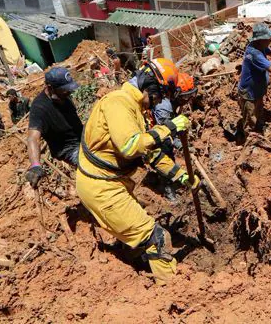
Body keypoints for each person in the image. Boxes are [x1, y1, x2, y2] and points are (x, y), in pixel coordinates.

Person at [76, 58, 197, 285]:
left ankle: (135, 263)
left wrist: (180, 175)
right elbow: (131, 146)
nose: (157, 103)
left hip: (110, 183)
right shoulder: (119, 104)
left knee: (136, 230)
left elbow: (149, 153)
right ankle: (173, 289)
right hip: (102, 188)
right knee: (157, 237)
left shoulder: (133, 108)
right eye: (159, 96)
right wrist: (169, 128)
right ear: (150, 87)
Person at [25, 68, 83, 187]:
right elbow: (33, 138)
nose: (68, 93)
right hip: (69, 149)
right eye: (64, 90)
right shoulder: (39, 108)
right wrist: (35, 165)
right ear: (50, 87)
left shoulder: (61, 96)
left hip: (82, 139)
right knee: (92, 163)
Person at [150, 72, 198, 202]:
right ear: (176, 93)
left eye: (190, 96)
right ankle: (167, 187)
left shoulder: (175, 100)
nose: (187, 100)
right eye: (185, 96)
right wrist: (180, 145)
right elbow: (165, 133)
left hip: (163, 129)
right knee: (165, 154)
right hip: (154, 134)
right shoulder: (164, 107)